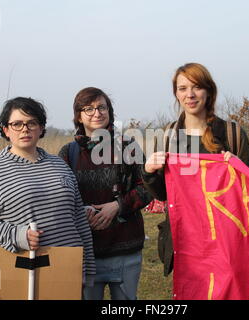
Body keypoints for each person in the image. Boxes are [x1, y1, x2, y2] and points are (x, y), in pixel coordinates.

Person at [0, 97, 96, 286]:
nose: (25, 129)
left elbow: (78, 219)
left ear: (41, 128)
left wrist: (87, 267)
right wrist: (17, 235)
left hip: (69, 268)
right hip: (25, 271)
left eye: (32, 123)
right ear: (6, 130)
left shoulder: (60, 165)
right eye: (17, 124)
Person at [142, 63, 249, 276]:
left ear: (209, 91)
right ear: (176, 93)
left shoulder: (232, 133)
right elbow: (162, 194)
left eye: (197, 87)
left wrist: (239, 170)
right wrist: (148, 172)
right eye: (183, 88)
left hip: (226, 240)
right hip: (184, 241)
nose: (190, 95)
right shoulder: (167, 136)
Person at [58, 87, 152, 300]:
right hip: (84, 254)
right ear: (78, 116)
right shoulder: (67, 153)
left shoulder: (128, 146)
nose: (97, 113)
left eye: (102, 107)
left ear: (110, 111)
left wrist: (119, 205)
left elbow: (148, 186)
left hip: (125, 252)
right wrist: (82, 211)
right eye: (88, 109)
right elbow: (61, 197)